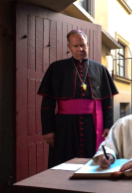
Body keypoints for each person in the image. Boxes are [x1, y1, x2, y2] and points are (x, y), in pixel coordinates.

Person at [38, 30, 118, 168]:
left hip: (93, 124)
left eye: (82, 45)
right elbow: (48, 102)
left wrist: (108, 125)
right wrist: (48, 129)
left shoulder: (100, 69)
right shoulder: (57, 68)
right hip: (65, 126)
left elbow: (107, 101)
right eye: (75, 46)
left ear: (87, 44)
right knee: (63, 161)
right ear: (69, 47)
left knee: (92, 163)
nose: (80, 49)